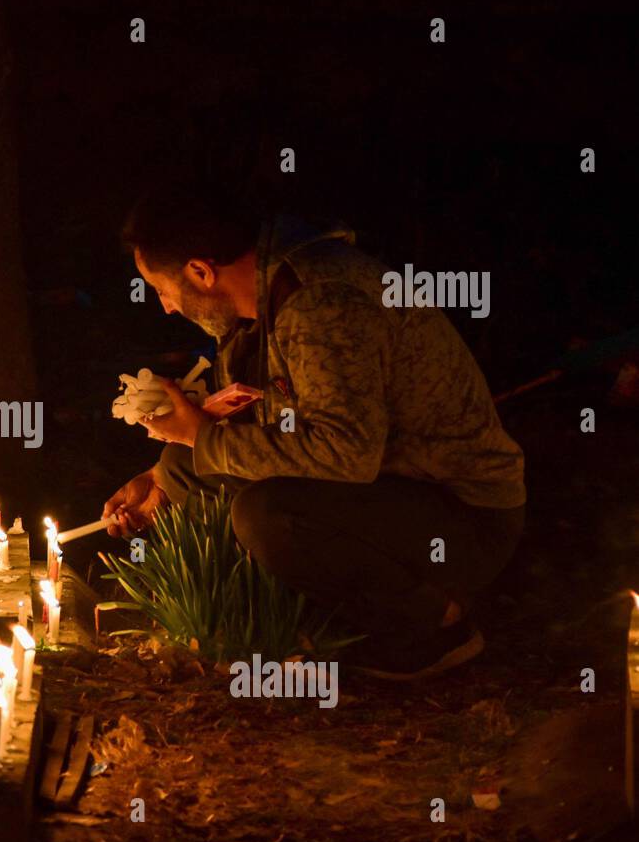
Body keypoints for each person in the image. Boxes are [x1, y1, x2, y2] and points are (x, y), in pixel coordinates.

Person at [104, 176, 525, 680]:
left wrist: (202, 438)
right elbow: (264, 427)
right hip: (386, 492)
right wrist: (163, 474)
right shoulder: (256, 307)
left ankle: (431, 626)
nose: (166, 307)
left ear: (200, 271)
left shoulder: (322, 303)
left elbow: (347, 452)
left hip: (460, 512)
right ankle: (298, 616)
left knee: (268, 515)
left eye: (162, 290)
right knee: (184, 465)